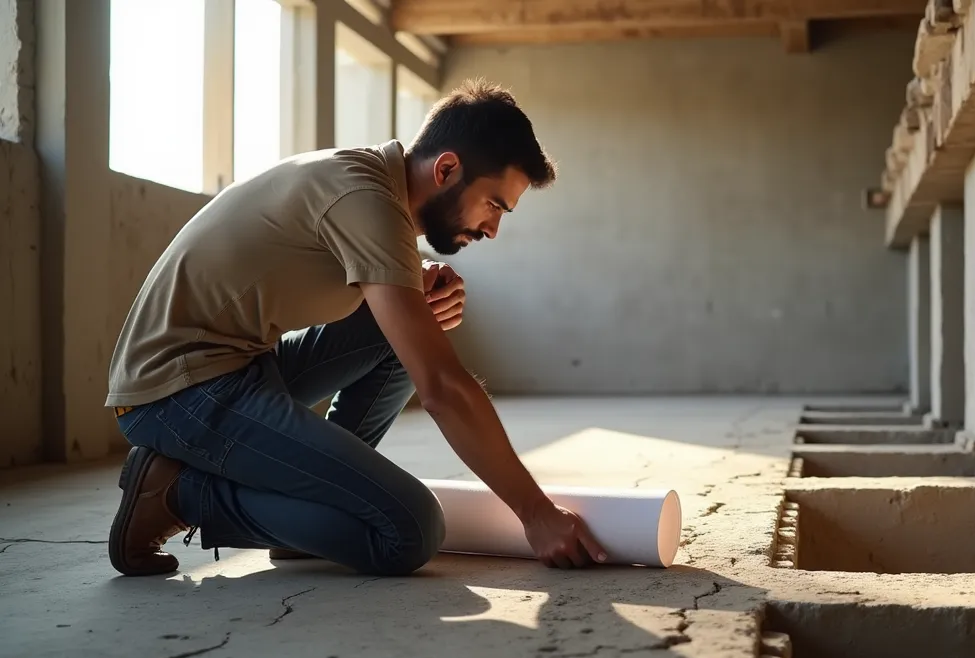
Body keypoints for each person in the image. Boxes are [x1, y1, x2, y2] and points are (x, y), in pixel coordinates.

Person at [104, 79, 607, 577]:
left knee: (413, 322)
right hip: (174, 392)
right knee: (408, 530)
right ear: (448, 168)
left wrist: (414, 282)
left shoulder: (372, 188)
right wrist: (536, 514)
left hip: (240, 369)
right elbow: (443, 388)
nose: (493, 228)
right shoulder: (363, 197)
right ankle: (178, 494)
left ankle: (317, 513)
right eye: (494, 204)